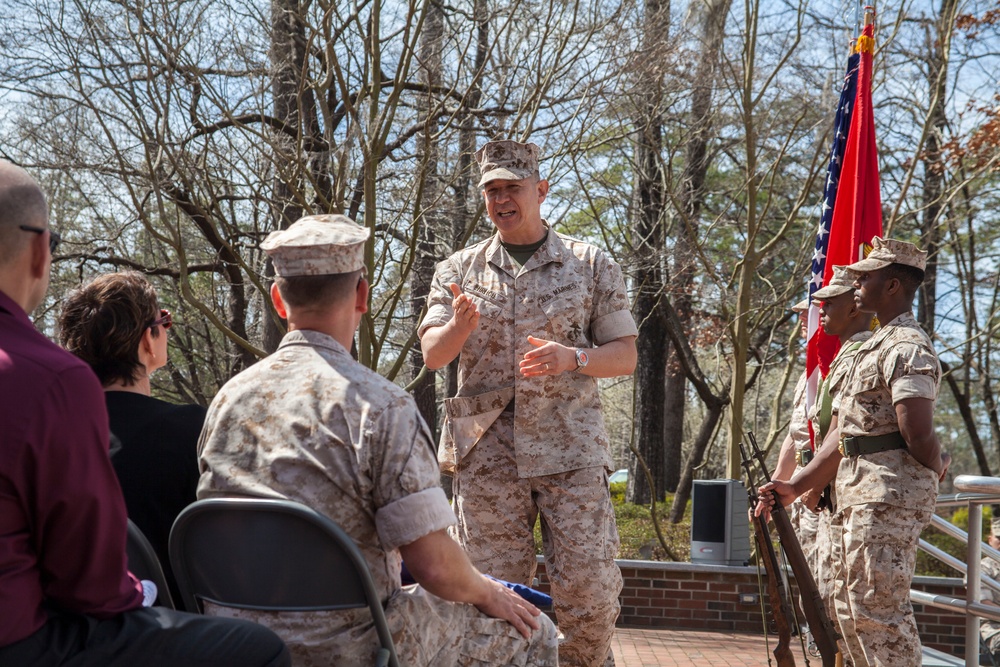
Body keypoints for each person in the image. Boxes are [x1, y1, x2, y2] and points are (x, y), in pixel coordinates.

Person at [198, 214, 559, 666]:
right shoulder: (382, 406)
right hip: (349, 644)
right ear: (362, 296)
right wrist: (490, 591)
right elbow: (433, 567)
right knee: (533, 629)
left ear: (278, 300)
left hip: (233, 640)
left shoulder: (228, 400)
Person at [0, 160, 290, 666]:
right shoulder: (189, 429)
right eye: (164, 321)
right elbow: (93, 584)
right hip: (40, 634)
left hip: (38, 607)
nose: (167, 330)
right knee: (262, 651)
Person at [419, 140, 639, 666]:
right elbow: (432, 355)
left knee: (588, 591)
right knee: (493, 594)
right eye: (492, 190)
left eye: (512, 188)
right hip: (488, 456)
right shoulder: (458, 269)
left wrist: (572, 359)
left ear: (540, 190)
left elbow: (624, 355)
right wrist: (458, 327)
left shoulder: (589, 263)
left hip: (571, 449)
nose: (502, 200)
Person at [759, 237, 949, 667]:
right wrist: (795, 486)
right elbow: (844, 435)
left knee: (878, 613)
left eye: (868, 275)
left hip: (887, 497)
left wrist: (936, 466)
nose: (858, 281)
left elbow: (916, 431)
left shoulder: (907, 346)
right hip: (854, 496)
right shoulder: (876, 347)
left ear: (894, 286)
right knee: (849, 610)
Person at [57, 271, 203, 603]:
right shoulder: (192, 428)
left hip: (74, 625)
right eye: (163, 320)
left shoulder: (49, 436)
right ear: (148, 339)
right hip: (174, 625)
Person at [805, 265, 874, 650]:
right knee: (833, 603)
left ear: (855, 306)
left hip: (845, 489)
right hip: (833, 492)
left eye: (832, 301)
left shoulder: (864, 351)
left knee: (852, 607)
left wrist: (811, 484)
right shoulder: (846, 353)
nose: (823, 307)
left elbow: (841, 430)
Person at [981, 516, 1000, 661]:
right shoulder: (982, 567)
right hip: (994, 627)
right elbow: (982, 602)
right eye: (999, 537)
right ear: (990, 540)